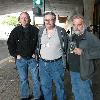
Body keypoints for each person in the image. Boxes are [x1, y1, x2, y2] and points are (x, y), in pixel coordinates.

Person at [7, 12, 40, 100]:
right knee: (23, 79)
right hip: (20, 60)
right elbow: (10, 44)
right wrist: (15, 54)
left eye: (26, 17)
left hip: (33, 59)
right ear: (19, 19)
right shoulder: (15, 30)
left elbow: (39, 43)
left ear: (29, 19)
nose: (24, 19)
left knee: (36, 79)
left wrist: (36, 53)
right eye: (22, 18)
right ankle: (25, 96)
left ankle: (37, 96)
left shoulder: (35, 30)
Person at [67, 15, 100, 100]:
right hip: (73, 71)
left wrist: (83, 52)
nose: (76, 27)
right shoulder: (72, 37)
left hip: (84, 72)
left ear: (83, 25)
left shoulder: (90, 37)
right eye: (74, 25)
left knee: (85, 95)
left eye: (79, 24)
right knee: (76, 93)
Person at [37, 12, 68, 100]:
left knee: (60, 86)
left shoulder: (61, 31)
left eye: (51, 19)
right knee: (45, 87)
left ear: (54, 20)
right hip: (43, 64)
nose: (49, 22)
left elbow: (65, 46)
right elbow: (38, 45)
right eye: (46, 20)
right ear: (44, 21)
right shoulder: (40, 31)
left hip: (57, 64)